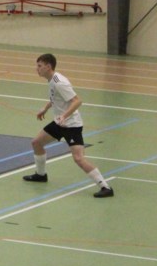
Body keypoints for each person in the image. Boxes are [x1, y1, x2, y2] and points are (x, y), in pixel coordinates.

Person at [23, 53, 114, 198]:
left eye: (39, 66)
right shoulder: (52, 80)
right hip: (60, 123)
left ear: (48, 66)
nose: (37, 69)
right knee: (36, 143)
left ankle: (105, 187)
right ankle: (41, 175)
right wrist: (45, 108)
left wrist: (64, 116)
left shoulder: (59, 82)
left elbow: (77, 101)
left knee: (78, 158)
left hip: (71, 125)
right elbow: (55, 98)